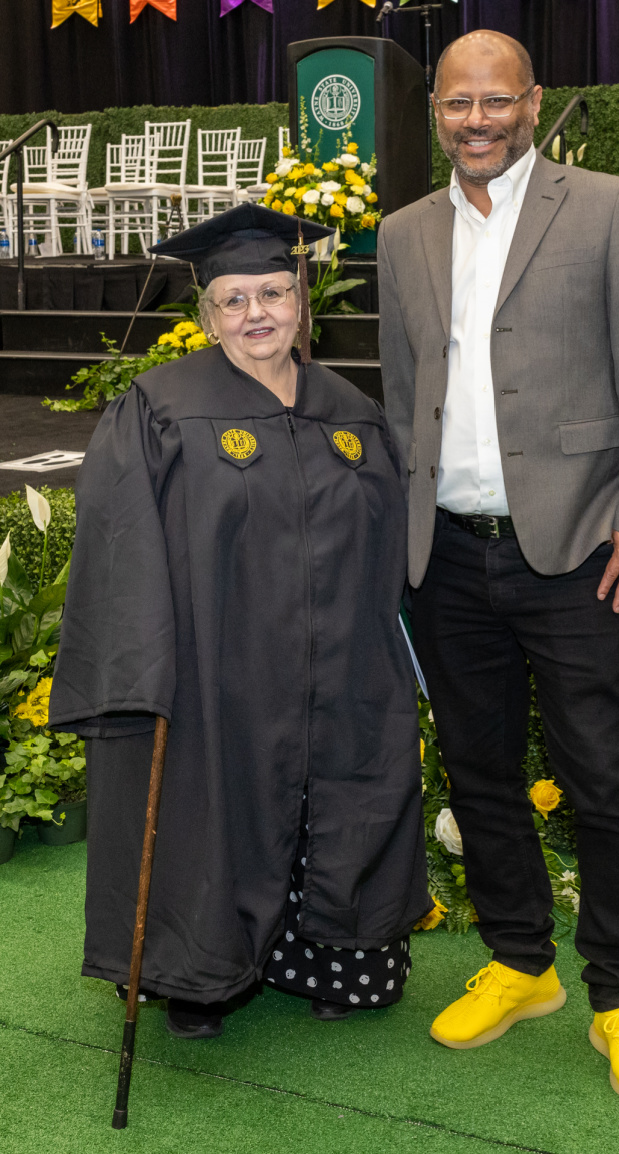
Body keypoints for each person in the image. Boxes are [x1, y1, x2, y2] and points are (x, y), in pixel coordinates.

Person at [377, 31, 619, 1102]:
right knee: (479, 771)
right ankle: (520, 962)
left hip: (577, 549)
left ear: (532, 101)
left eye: (496, 101)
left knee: (601, 776)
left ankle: (618, 996)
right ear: (435, 111)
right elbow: (399, 392)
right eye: (458, 103)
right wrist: (402, 531)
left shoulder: (602, 207)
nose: (477, 120)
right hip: (446, 554)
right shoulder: (400, 232)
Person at [49, 203, 430, 1039]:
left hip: (342, 666)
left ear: (303, 301)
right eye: (233, 298)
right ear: (204, 315)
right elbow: (121, 548)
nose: (256, 313)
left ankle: (337, 958)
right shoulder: (158, 407)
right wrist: (140, 672)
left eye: (273, 292)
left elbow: (394, 546)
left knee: (347, 793)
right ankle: (200, 973)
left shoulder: (351, 410)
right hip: (214, 664)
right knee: (209, 806)